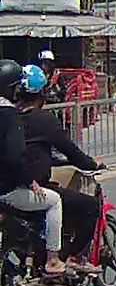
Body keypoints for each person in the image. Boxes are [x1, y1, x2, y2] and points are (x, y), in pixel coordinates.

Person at [16, 65, 105, 275]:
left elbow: (33, 152)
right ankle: (72, 257)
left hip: (12, 187)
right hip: (32, 189)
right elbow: (70, 151)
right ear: (42, 93)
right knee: (90, 206)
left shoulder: (10, 119)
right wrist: (92, 164)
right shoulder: (45, 120)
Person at [0, 60, 66, 276]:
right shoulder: (10, 116)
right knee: (54, 201)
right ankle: (53, 260)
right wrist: (30, 181)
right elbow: (15, 157)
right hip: (6, 190)